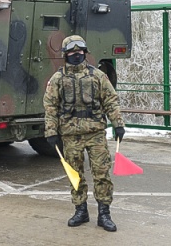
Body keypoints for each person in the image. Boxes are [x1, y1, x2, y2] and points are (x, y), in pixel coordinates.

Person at [43, 35, 126, 232]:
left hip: (95, 133)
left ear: (85, 53)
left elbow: (111, 101)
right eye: (72, 51)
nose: (76, 54)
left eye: (80, 51)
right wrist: (51, 131)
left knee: (102, 173)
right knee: (75, 175)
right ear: (65, 54)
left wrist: (118, 124)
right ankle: (81, 210)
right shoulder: (58, 79)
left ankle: (104, 214)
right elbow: (50, 107)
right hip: (71, 135)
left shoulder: (97, 76)